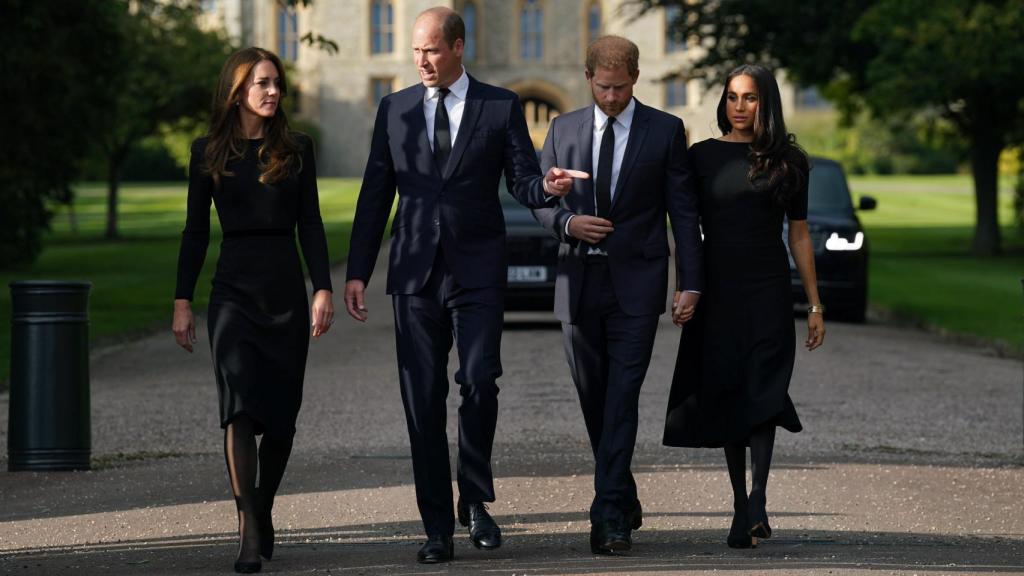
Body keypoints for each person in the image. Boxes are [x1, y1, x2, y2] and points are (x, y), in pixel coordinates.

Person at [343, 6, 576, 564]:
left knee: (478, 381)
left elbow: (522, 178)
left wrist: (548, 186)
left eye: (431, 50)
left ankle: (474, 498)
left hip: (477, 270)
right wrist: (357, 270)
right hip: (414, 274)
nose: (421, 61)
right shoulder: (394, 108)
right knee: (421, 400)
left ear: (458, 47)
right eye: (416, 52)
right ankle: (436, 527)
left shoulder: (500, 106)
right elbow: (377, 192)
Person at [531, 35, 703, 555]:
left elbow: (684, 211)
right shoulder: (562, 129)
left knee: (622, 398)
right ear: (588, 78)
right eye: (603, 87)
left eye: (621, 88)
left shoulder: (666, 131)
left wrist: (690, 281)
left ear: (635, 78)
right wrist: (565, 220)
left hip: (637, 285)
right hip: (578, 283)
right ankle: (622, 491)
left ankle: (608, 516)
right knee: (594, 400)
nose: (611, 97)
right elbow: (538, 197)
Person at [172, 47, 334, 574]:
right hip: (232, 293)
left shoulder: (297, 148)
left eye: (276, 83)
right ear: (237, 89)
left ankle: (262, 506)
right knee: (238, 406)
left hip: (284, 290)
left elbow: (310, 222)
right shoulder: (208, 152)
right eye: (261, 83)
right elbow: (196, 232)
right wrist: (181, 300)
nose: (272, 92)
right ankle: (247, 528)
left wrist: (323, 287)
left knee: (283, 419)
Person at [662, 64, 825, 549]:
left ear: (766, 103)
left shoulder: (790, 160)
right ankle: (740, 504)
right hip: (718, 291)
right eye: (732, 96)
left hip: (768, 290)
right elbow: (683, 226)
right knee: (729, 390)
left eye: (750, 98)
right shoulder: (702, 157)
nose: (739, 106)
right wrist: (685, 286)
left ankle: (758, 499)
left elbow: (799, 233)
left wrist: (814, 305)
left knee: (763, 392)